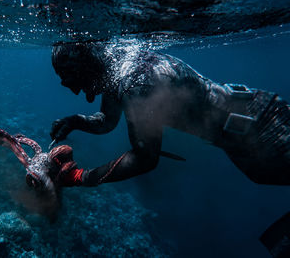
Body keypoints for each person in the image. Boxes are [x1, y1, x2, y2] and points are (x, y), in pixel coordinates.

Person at [49, 41, 290, 187]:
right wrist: (77, 121)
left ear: (87, 67)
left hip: (263, 124)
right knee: (261, 176)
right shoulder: (112, 68)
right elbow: (107, 121)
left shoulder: (135, 83)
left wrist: (81, 177)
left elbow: (145, 158)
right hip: (244, 134)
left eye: (70, 79)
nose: (73, 89)